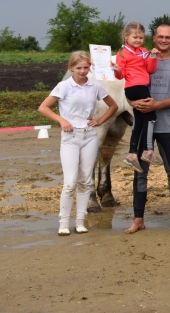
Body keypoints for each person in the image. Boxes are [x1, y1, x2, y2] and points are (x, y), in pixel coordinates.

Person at [38, 51, 119, 236]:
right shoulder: (64, 86)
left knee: (85, 181)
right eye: (79, 68)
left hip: (89, 135)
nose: (83, 71)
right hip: (70, 137)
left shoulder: (95, 86)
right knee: (70, 182)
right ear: (71, 68)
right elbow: (43, 107)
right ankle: (63, 222)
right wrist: (61, 120)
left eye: (86, 68)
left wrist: (99, 121)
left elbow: (113, 106)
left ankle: (80, 221)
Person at [125, 25, 170, 234]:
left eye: (168, 37)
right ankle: (138, 220)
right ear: (154, 39)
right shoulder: (140, 59)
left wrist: (157, 105)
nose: (163, 40)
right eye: (160, 36)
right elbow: (129, 87)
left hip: (168, 126)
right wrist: (133, 103)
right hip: (142, 126)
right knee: (140, 173)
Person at [114, 21, 161, 172]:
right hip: (135, 87)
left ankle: (132, 154)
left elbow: (151, 69)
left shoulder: (144, 51)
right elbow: (121, 74)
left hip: (141, 86)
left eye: (141, 38)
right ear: (126, 36)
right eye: (135, 37)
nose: (138, 40)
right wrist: (116, 69)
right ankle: (148, 150)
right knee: (151, 116)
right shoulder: (122, 53)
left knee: (139, 121)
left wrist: (153, 56)